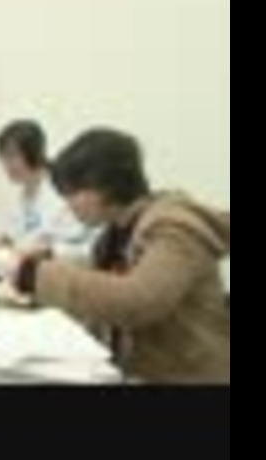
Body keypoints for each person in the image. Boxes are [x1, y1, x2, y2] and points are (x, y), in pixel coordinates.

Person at [14, 128, 231, 384]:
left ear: (103, 188)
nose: (68, 205)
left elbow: (137, 301)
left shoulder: (175, 229)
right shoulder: (114, 234)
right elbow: (101, 298)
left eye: (72, 193)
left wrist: (38, 276)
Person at [0, 121, 100, 267]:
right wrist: (5, 240)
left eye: (12, 156)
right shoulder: (26, 191)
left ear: (33, 153)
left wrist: (47, 250)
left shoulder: (61, 189)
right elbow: (21, 232)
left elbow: (77, 243)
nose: (6, 165)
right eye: (3, 158)